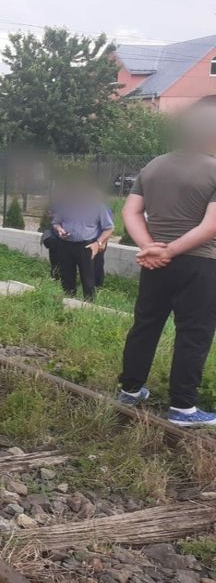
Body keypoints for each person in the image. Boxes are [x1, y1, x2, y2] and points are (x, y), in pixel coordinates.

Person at [117, 105, 216, 425]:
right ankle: (183, 408)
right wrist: (170, 250)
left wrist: (150, 247)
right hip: (201, 264)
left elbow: (130, 212)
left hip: (155, 263)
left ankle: (130, 390)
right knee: (194, 333)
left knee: (145, 325)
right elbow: (211, 227)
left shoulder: (154, 165)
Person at [50, 182, 113, 301]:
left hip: (86, 246)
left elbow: (109, 228)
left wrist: (99, 242)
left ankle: (89, 303)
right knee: (67, 275)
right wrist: (59, 230)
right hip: (66, 245)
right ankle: (68, 299)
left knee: (88, 277)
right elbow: (55, 222)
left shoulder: (98, 208)